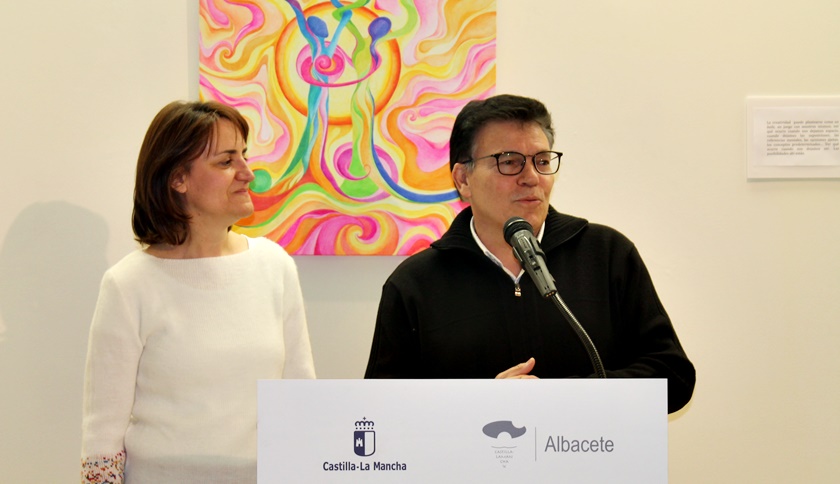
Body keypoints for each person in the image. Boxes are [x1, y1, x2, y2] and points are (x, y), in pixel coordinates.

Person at [364, 94, 695, 413]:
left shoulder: (607, 255)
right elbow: (382, 409)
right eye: (510, 162)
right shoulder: (415, 284)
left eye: (542, 161)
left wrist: (560, 399)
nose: (532, 178)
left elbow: (674, 377)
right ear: (463, 179)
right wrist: (481, 405)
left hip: (588, 452)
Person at [81, 101, 316, 483]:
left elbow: (301, 400)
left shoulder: (275, 266)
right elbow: (102, 437)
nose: (247, 173)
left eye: (244, 156)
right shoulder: (128, 284)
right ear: (178, 179)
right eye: (226, 161)